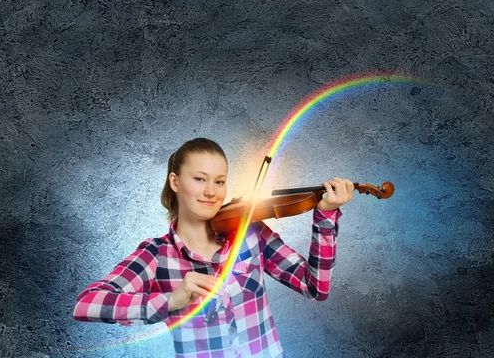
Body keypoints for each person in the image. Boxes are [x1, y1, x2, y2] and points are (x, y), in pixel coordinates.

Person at [72, 137, 354, 358]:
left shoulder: (250, 232)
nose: (211, 191)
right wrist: (171, 301)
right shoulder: (157, 255)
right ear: (175, 181)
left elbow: (314, 287)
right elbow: (87, 303)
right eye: (199, 179)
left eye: (219, 182)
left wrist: (326, 216)